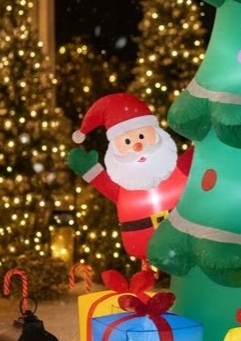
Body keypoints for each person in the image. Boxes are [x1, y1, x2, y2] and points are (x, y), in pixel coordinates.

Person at [68, 92, 192, 262]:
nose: (138, 145)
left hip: (187, 232)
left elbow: (198, 152)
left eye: (142, 136)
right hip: (145, 245)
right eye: (127, 142)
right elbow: (105, 184)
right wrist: (89, 170)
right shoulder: (125, 184)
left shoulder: (176, 169)